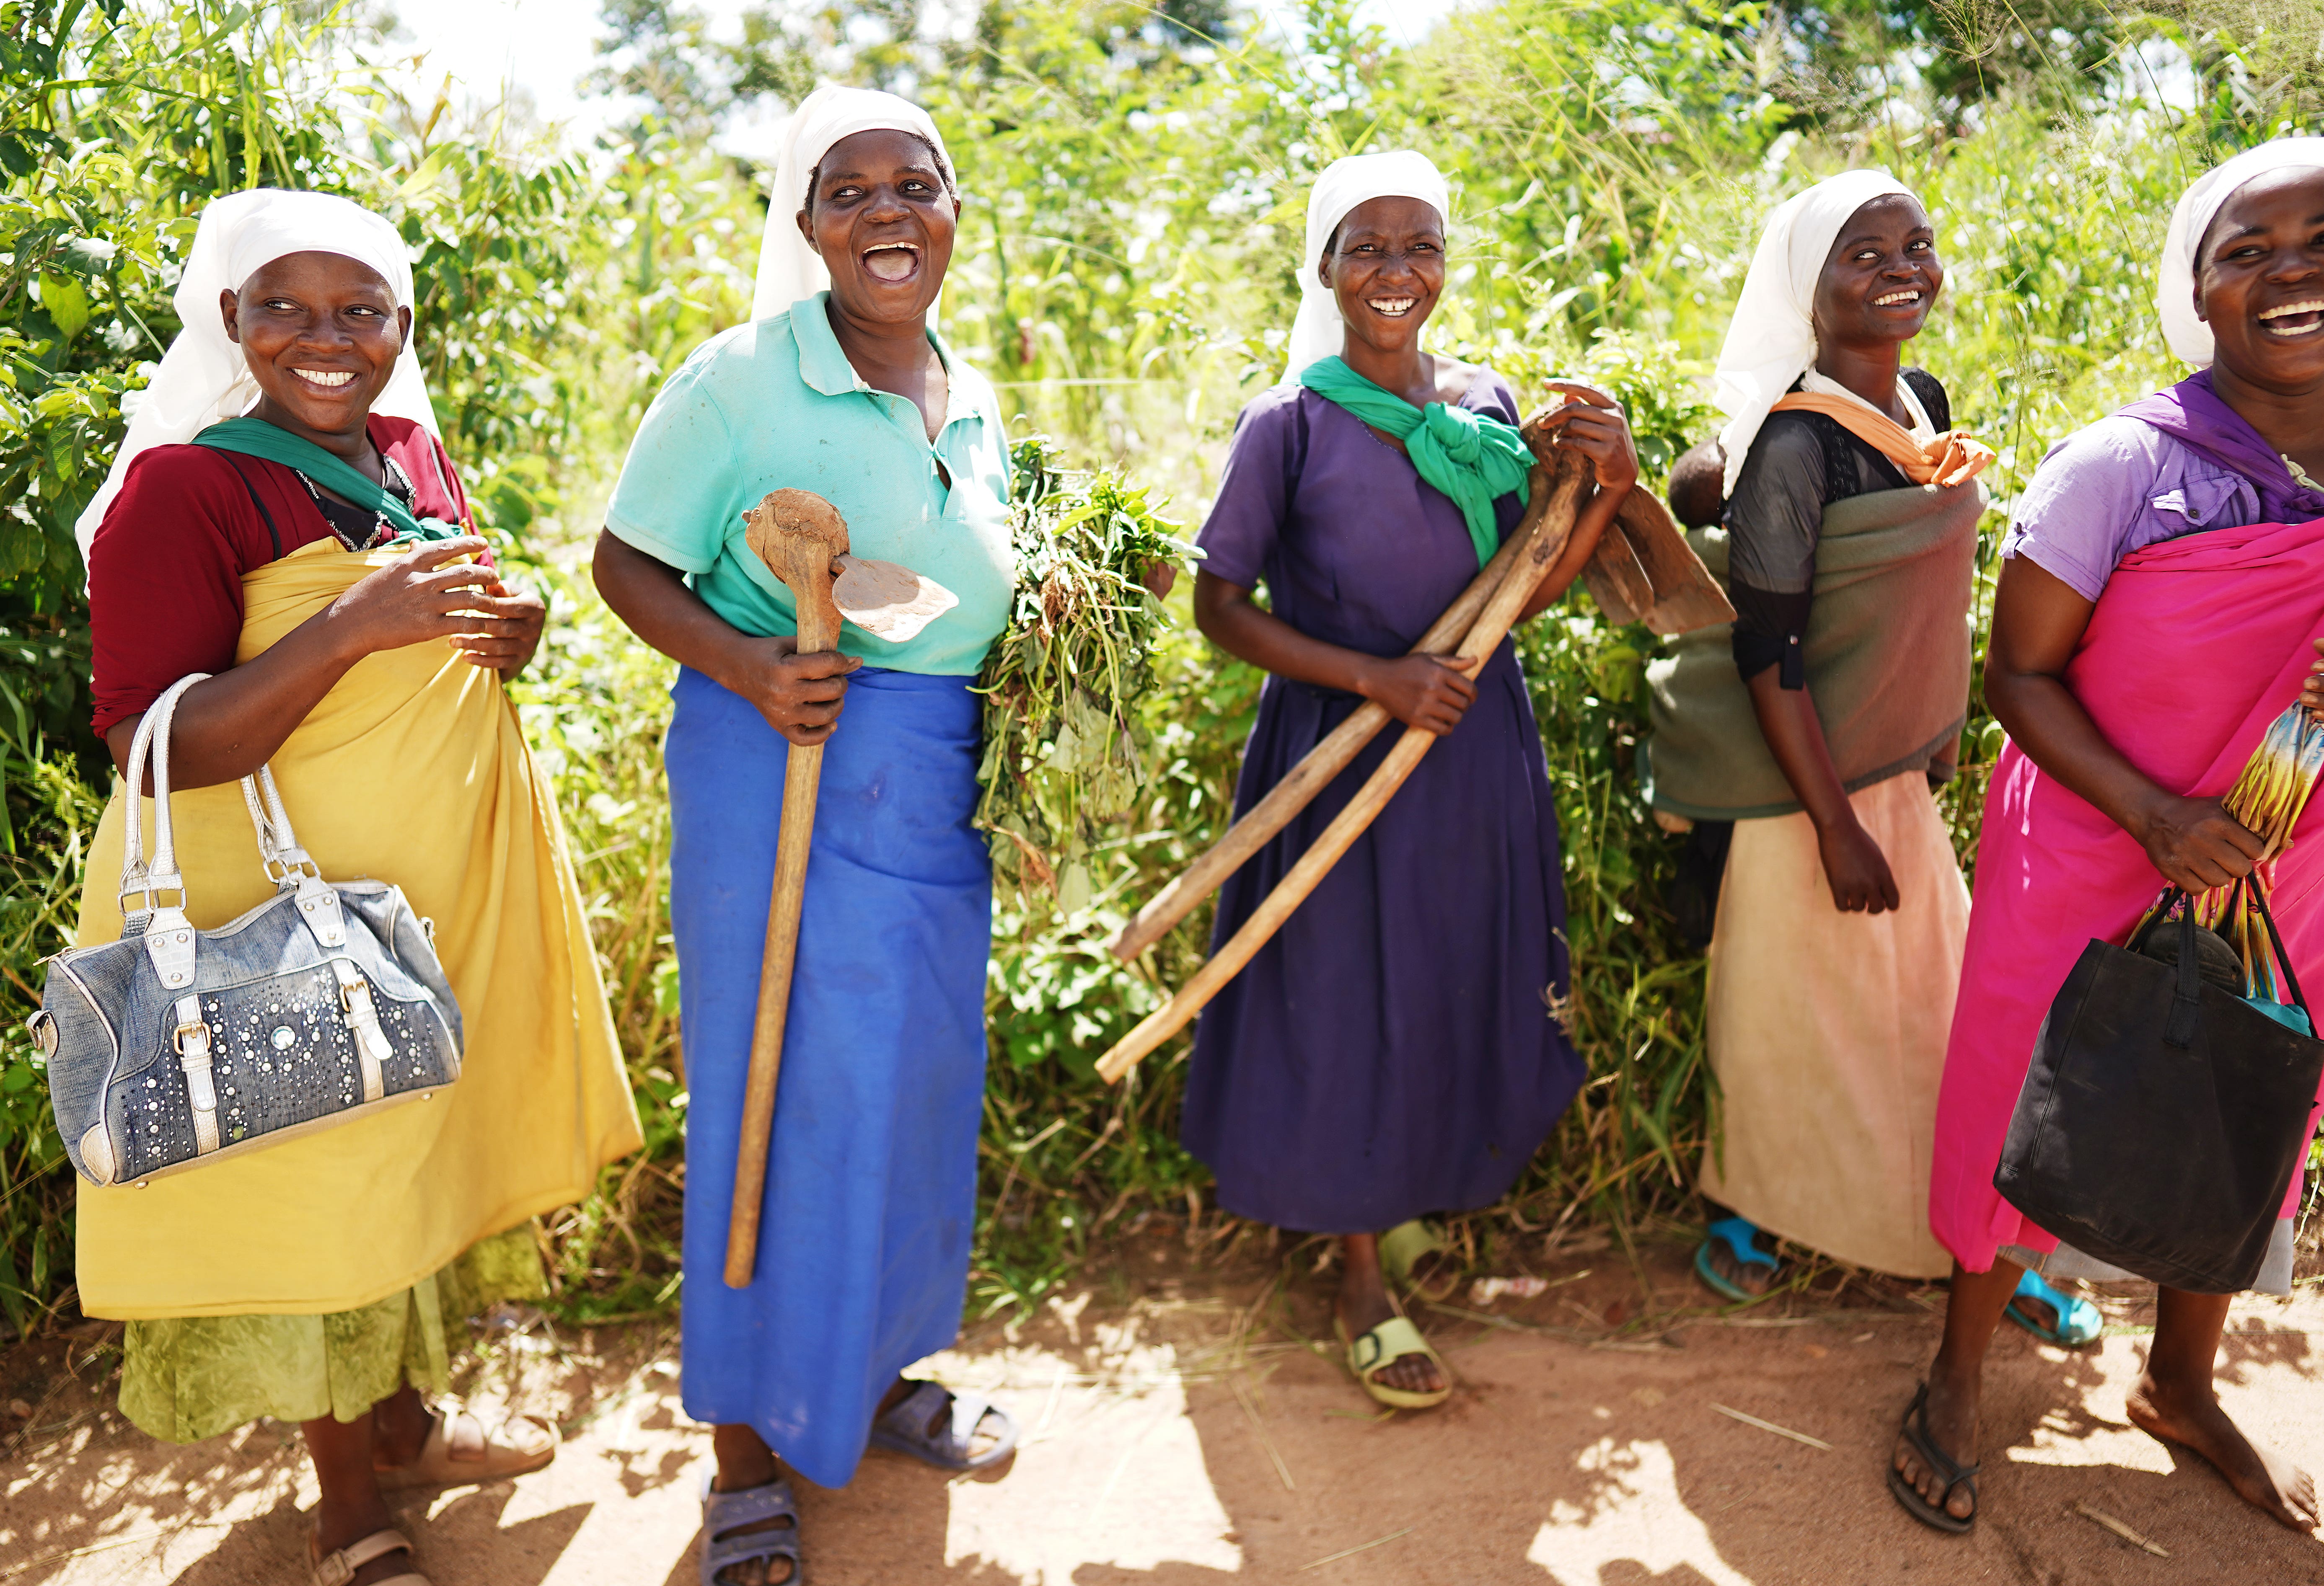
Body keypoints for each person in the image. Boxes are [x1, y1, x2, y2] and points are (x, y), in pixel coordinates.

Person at [70, 189, 642, 1586]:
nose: (324, 341)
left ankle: (404, 1424)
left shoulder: (409, 451)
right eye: (286, 309)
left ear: (401, 325)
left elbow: (433, 630)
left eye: (359, 312)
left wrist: (521, 627)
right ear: (230, 322)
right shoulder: (186, 489)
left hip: (414, 899)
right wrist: (348, 630)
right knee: (320, 1165)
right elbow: (159, 744)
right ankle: (347, 1516)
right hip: (273, 913)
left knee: (402, 1157)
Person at [593, 87, 1090, 1586]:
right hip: (783, 763)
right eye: (849, 189)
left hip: (930, 783)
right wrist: (752, 664)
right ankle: (747, 1447)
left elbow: (966, 587)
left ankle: (868, 1384)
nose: (888, 211)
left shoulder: (970, 386)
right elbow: (626, 563)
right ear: (806, 224)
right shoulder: (743, 382)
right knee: (777, 1093)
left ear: (952, 213)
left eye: (916, 186)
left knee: (907, 1090)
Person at [1897, 136, 2324, 1537]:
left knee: (2258, 1094)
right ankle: (1958, 1370)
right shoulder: (2122, 465)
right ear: (2198, 294)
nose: (2292, 268)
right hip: (2101, 837)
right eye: (2246, 250)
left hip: (2316, 865)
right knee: (2021, 1085)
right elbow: (2019, 677)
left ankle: (2181, 1385)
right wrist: (2157, 814)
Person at [1179, 150, 1634, 1412]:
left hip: (1471, 753)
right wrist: (1376, 683)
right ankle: (1362, 1275)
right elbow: (1222, 608)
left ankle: (1412, 1191)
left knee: (1446, 972)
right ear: (1324, 271)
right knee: (1344, 991)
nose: (1397, 271)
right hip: (1339, 755)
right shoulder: (1292, 424)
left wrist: (1610, 488)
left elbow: (1523, 588)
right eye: (1368, 248)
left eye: (1421, 245)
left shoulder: (1486, 405)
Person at [1645, 172, 2022, 1317]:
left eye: (1918, 242)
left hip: (1893, 770)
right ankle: (1755, 1209)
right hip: (1805, 787)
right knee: (1785, 1018)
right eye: (1866, 252)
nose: (1903, 266)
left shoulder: (1923, 399)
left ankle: (1971, 1232)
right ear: (1807, 287)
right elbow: (1772, 650)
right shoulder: (1796, 448)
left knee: (1929, 1010)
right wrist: (1836, 826)